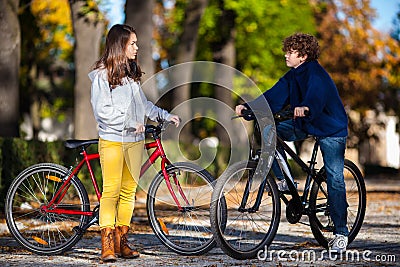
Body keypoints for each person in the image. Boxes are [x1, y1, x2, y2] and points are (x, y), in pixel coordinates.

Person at [235, 33, 349, 253]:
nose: (286, 55)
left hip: (330, 128)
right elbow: (273, 97)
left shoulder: (316, 73)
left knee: (335, 177)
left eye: (291, 52)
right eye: (286, 50)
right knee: (271, 130)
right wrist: (249, 107)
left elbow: (316, 95)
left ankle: (341, 233)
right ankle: (283, 180)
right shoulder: (292, 75)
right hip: (305, 122)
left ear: (303, 55)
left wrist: (306, 107)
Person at [89, 24, 180, 262]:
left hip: (135, 141)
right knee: (111, 191)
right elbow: (102, 112)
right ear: (120, 45)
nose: (137, 48)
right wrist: (129, 122)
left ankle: (121, 242)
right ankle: (106, 245)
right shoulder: (101, 75)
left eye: (137, 43)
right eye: (133, 43)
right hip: (112, 140)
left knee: (129, 192)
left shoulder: (130, 77)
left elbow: (144, 106)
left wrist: (164, 115)